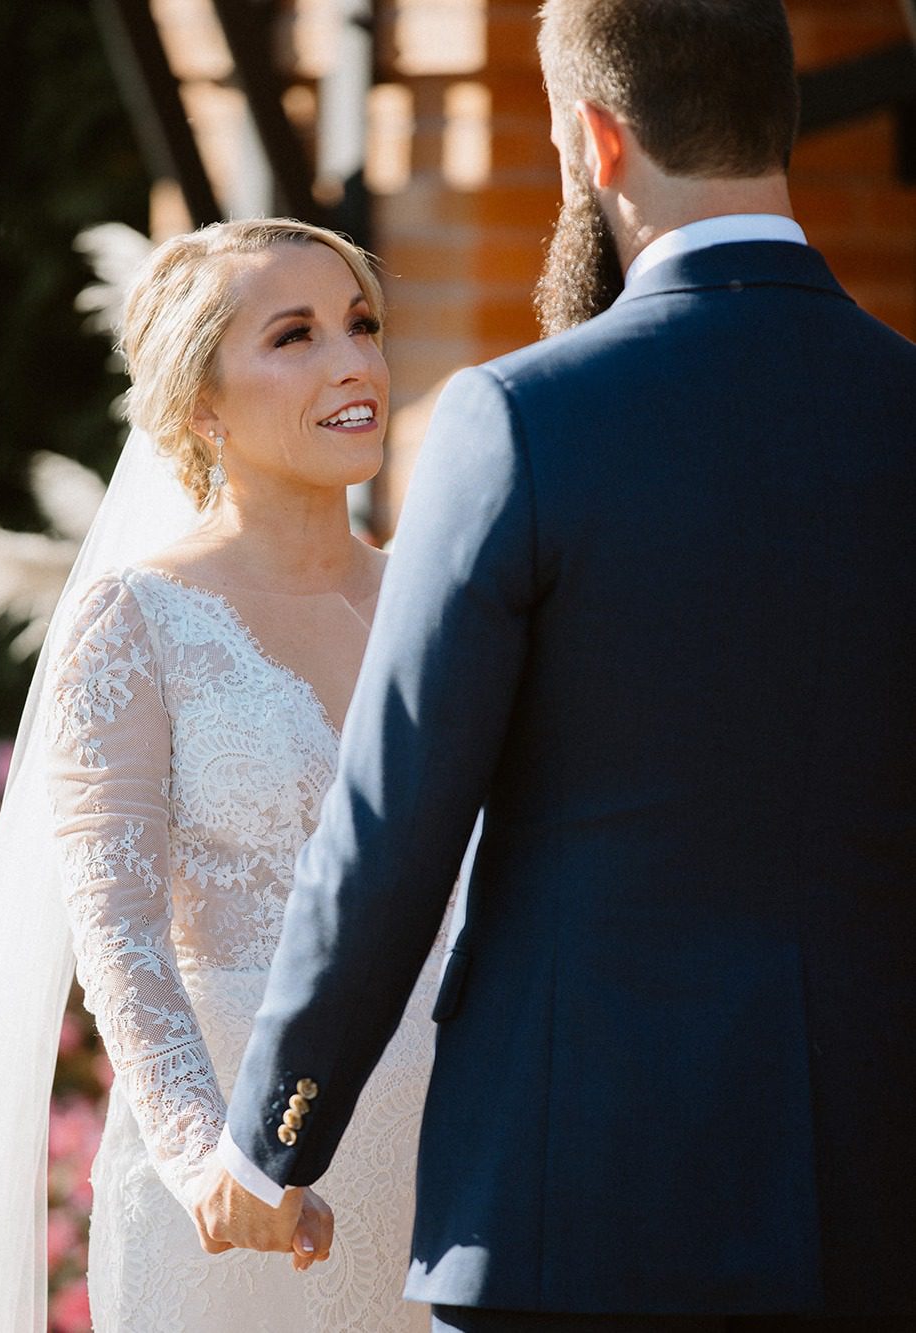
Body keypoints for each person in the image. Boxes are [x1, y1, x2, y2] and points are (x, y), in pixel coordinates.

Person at [197, 4, 916, 1332]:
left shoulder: (516, 421)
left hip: (574, 1221)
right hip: (873, 1221)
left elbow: (389, 824)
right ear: (777, 124)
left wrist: (270, 1135)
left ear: (592, 139)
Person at [0, 219, 442, 1332]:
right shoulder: (136, 626)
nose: (353, 361)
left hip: (459, 1171)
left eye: (360, 325)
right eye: (295, 336)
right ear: (199, 402)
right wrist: (212, 1164)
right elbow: (118, 940)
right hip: (244, 1195)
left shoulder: (445, 598)